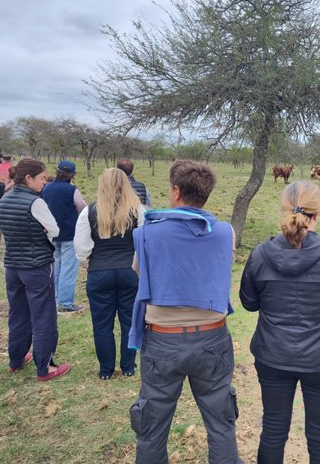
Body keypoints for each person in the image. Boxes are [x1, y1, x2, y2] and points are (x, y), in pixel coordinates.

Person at [239, 180, 320, 464]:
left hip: (273, 357)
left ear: (283, 211)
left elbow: (249, 302)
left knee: (272, 432)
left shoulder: (260, 254)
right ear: (317, 214)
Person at [128, 160, 242, 464]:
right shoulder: (225, 231)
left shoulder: (147, 233)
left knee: (151, 425)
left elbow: (140, 273)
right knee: (221, 422)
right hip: (213, 338)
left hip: (163, 341)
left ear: (176, 191)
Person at [0, 157, 70, 381]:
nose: (44, 183)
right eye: (41, 178)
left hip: (12, 265)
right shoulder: (35, 202)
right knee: (43, 316)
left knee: (18, 313)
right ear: (28, 178)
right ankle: (44, 367)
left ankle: (16, 359)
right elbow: (55, 230)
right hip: (37, 266)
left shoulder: (5, 199)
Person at [74, 168, 146, 379]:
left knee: (102, 324)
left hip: (99, 272)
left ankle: (106, 369)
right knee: (129, 322)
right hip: (129, 272)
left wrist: (94, 258)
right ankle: (128, 366)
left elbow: (81, 249)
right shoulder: (138, 210)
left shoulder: (90, 211)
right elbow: (144, 243)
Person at [42, 160, 86, 313]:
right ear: (72, 175)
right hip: (69, 234)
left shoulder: (46, 188)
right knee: (69, 268)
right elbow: (82, 208)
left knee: (56, 267)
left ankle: (54, 300)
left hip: (51, 233)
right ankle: (66, 303)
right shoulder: (71, 190)